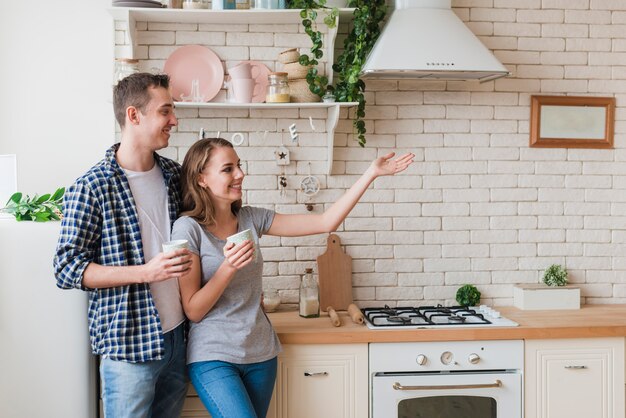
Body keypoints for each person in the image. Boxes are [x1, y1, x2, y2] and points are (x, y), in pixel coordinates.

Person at [171, 137, 414, 418]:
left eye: (239, 166)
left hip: (261, 353)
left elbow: (326, 222)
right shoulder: (188, 229)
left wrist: (370, 174)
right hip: (213, 356)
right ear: (201, 178)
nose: (240, 174)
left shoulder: (252, 219)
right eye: (228, 169)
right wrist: (228, 267)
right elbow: (193, 309)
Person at [53, 72, 192, 418]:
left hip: (177, 340)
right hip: (128, 347)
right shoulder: (91, 187)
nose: (174, 120)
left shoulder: (175, 176)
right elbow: (66, 268)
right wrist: (146, 272)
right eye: (165, 111)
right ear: (134, 115)